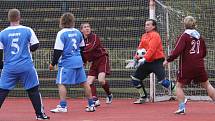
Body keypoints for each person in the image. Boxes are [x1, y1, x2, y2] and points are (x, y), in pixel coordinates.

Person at [0, 9, 50, 120]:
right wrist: (28, 48)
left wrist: (2, 67)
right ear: (19, 17)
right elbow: (36, 45)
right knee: (33, 90)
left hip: (9, 67)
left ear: (9, 18)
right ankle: (40, 115)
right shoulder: (27, 30)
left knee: (2, 91)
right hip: (26, 66)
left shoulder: (2, 33)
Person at [163, 16, 215, 114]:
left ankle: (182, 108)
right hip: (199, 65)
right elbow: (204, 52)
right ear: (195, 24)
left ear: (184, 24)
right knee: (207, 85)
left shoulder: (184, 36)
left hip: (187, 66)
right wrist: (198, 58)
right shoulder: (200, 37)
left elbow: (176, 51)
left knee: (178, 86)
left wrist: (168, 60)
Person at [49, 13, 96, 113]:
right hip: (78, 60)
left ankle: (63, 106)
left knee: (61, 83)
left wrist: (53, 64)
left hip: (66, 62)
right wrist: (84, 60)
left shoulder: (61, 33)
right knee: (84, 83)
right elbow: (83, 48)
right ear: (72, 21)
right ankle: (91, 104)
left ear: (62, 21)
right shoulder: (78, 33)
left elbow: (58, 51)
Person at [126, 19, 173, 104]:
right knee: (135, 79)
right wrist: (135, 58)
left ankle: (179, 93)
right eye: (145, 25)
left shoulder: (155, 35)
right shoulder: (144, 35)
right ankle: (143, 97)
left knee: (163, 82)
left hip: (157, 61)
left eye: (148, 25)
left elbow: (152, 49)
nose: (146, 26)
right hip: (147, 62)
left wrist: (144, 59)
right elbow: (140, 48)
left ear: (153, 26)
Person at [80, 22, 113, 106]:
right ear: (81, 30)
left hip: (102, 58)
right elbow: (84, 55)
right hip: (94, 62)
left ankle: (109, 94)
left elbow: (91, 47)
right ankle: (95, 99)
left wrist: (80, 50)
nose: (87, 28)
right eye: (85, 27)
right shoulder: (81, 41)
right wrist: (83, 62)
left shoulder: (94, 37)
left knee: (101, 80)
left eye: (88, 27)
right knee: (88, 82)